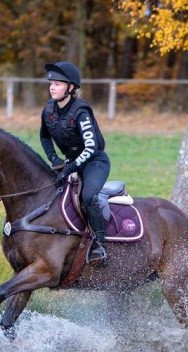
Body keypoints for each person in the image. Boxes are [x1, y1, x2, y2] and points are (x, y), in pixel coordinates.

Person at [40, 61, 110, 264]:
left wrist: (68, 169)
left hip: (95, 162)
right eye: (51, 83)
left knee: (88, 196)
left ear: (70, 88)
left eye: (58, 84)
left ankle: (100, 244)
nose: (52, 87)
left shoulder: (81, 112)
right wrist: (54, 159)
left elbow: (91, 148)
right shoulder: (49, 110)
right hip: (71, 162)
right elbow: (45, 137)